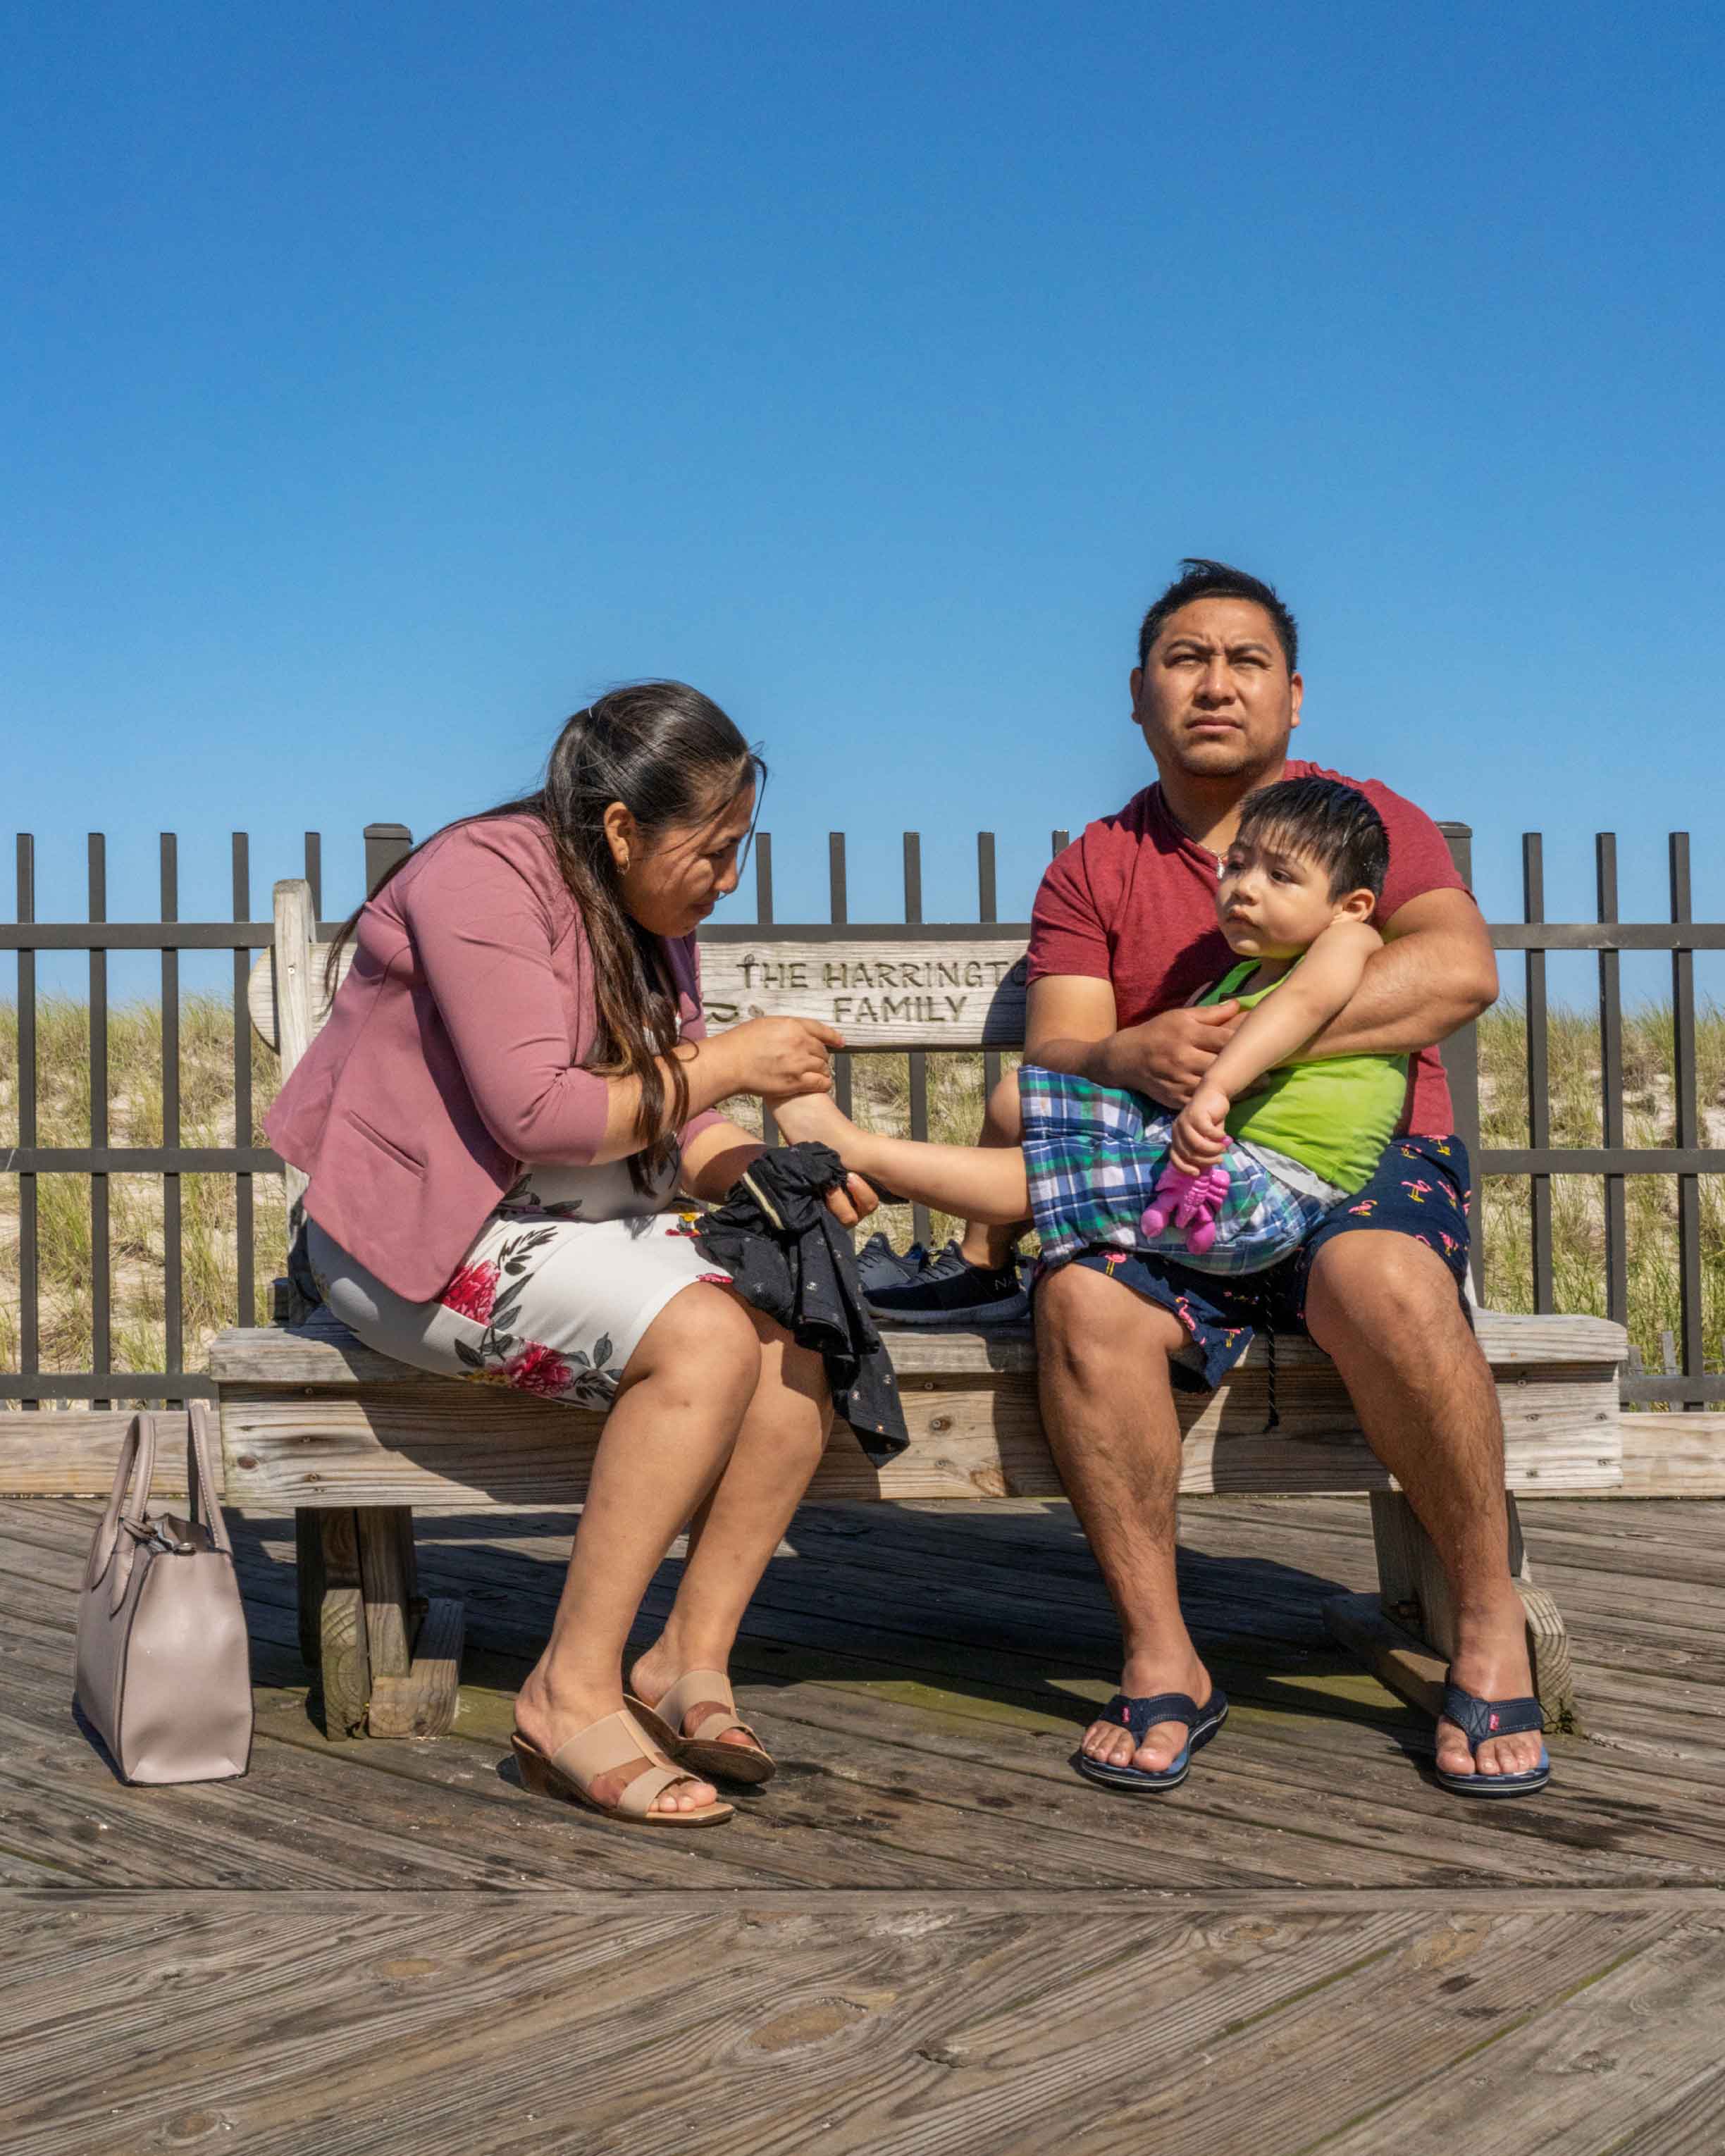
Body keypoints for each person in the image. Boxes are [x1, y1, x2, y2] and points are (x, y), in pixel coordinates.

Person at [863, 560, 1547, 1799]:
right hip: (1181, 1170)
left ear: (1293, 695)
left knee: (1386, 1281)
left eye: (1245, 661)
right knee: (1081, 1299)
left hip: (1361, 1165)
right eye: (1186, 660)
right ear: (1139, 694)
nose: (1215, 684)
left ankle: (1488, 1616)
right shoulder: (1096, 864)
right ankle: (1161, 1652)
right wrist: (1130, 1054)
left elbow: (1455, 975)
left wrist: (1249, 1044)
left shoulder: (1359, 817)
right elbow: (1063, 1048)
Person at [266, 683, 878, 1828]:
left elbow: (681, 1109)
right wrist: (735, 1061)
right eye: (715, 850)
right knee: (706, 1341)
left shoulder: (649, 910)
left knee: (796, 1325)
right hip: (420, 1238)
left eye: (740, 848)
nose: (728, 879)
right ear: (621, 829)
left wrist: (761, 1171)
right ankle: (568, 1694)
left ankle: (685, 1660)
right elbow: (538, 1113)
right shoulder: (479, 877)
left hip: (579, 1222)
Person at [777, 776, 1411, 1291]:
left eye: (1280, 876)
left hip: (1270, 1195)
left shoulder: (1348, 941)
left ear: (1350, 905)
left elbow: (1303, 1003)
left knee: (1049, 1176)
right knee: (1020, 1096)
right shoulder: (1241, 974)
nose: (1244, 889)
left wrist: (1216, 1087)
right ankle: (978, 1264)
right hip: (1216, 1159)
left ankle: (859, 1152)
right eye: (1237, 865)